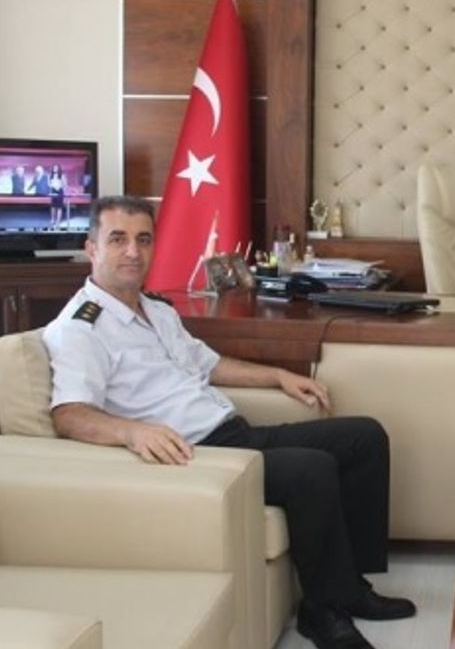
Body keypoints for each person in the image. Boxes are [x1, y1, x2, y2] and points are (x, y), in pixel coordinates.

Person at [42, 195, 414, 649]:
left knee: (364, 436)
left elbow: (211, 365)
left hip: (234, 434)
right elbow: (69, 414)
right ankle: (321, 611)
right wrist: (132, 432)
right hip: (192, 455)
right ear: (91, 248)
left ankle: (351, 586)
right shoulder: (80, 328)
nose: (133, 252)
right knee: (309, 469)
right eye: (117, 240)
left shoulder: (155, 309)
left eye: (143, 239)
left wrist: (278, 376)